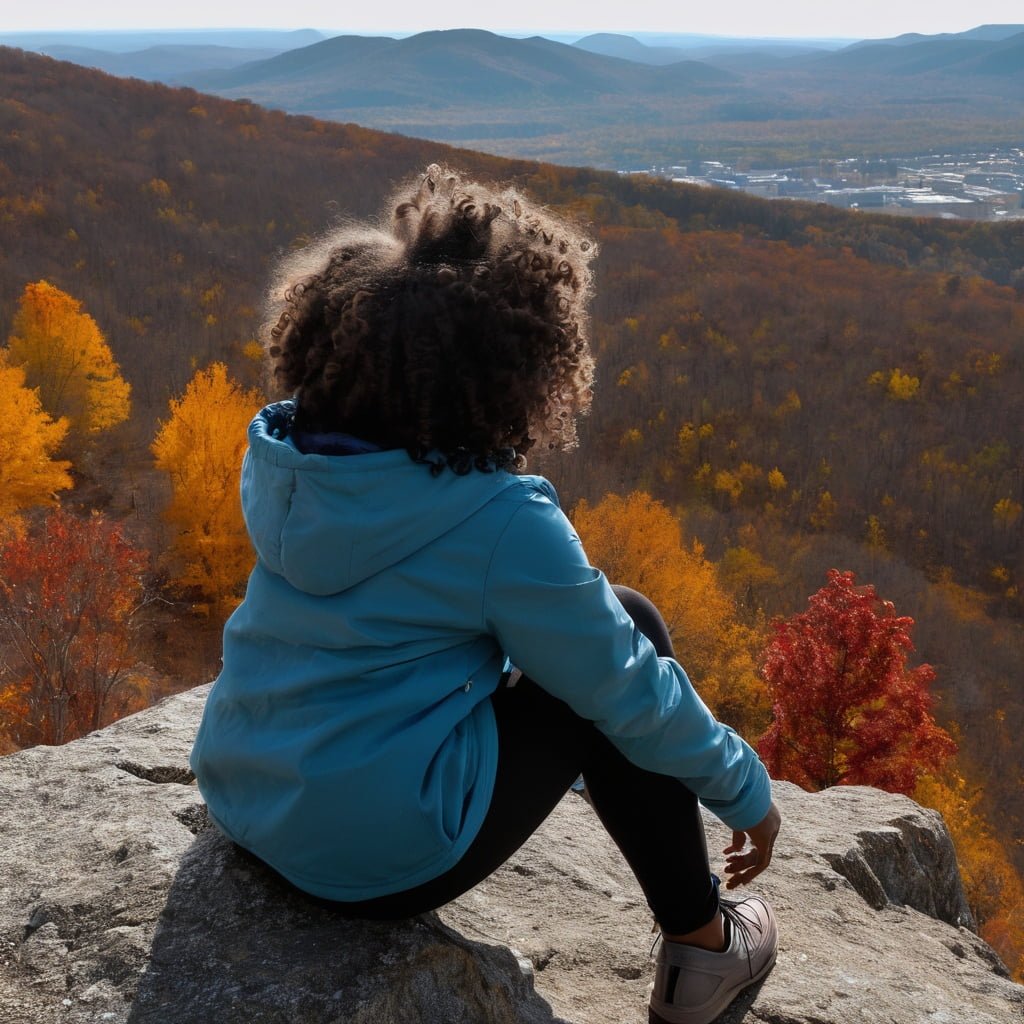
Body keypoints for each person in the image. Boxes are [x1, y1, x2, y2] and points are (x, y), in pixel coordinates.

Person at [190, 164, 781, 1024]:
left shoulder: (283, 463)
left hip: (245, 798)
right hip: (372, 861)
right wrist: (745, 788)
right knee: (629, 634)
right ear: (510, 371)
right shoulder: (499, 522)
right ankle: (704, 953)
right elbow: (624, 685)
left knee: (591, 652)